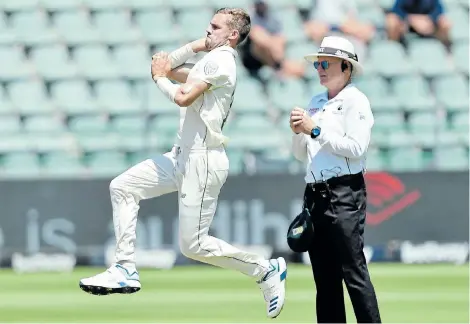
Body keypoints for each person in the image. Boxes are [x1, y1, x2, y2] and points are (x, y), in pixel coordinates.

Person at [78, 7, 287, 319]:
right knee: (123, 187)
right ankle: (124, 268)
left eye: (214, 27)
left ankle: (265, 269)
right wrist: (190, 49)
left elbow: (181, 95)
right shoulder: (211, 58)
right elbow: (174, 69)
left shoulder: (221, 61)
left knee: (193, 246)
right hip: (181, 156)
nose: (207, 29)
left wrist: (160, 77)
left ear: (231, 35)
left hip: (202, 161)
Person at [288, 36, 381, 323]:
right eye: (318, 63)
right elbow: (301, 154)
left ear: (346, 67)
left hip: (344, 192)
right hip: (315, 193)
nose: (320, 68)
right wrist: (297, 132)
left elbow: (356, 148)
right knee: (324, 279)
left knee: (353, 272)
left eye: (325, 63)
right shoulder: (315, 102)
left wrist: (314, 130)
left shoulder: (356, 101)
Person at [385, 0, 451, 47]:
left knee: (444, 22)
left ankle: (445, 51)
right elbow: (396, 10)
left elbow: (439, 9)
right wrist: (411, 19)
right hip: (407, 25)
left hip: (427, 24)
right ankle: (393, 50)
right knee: (391, 20)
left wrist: (429, 18)